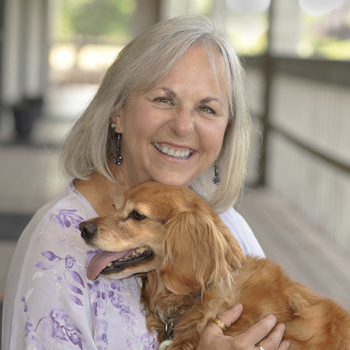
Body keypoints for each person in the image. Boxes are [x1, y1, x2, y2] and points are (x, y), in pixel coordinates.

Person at [2, 15, 290, 350]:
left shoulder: (228, 229)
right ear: (117, 111)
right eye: (163, 99)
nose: (183, 126)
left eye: (207, 109)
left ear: (226, 131)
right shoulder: (61, 246)